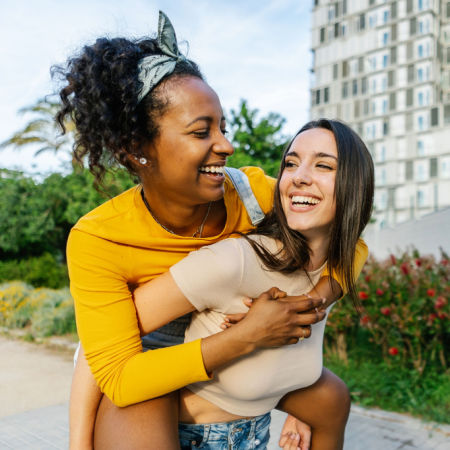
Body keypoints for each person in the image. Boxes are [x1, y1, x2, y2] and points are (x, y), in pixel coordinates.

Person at [55, 11, 368, 450]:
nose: (226, 145)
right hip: (142, 366)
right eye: (202, 131)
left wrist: (302, 311)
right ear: (136, 150)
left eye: (223, 126)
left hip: (237, 360)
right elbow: (111, 369)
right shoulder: (99, 238)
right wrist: (246, 336)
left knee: (332, 397)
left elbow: (347, 242)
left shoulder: (255, 194)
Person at [131, 118, 375, 449]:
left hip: (256, 434)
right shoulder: (236, 261)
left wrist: (307, 305)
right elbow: (111, 340)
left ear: (355, 185)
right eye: (291, 163)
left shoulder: (338, 265)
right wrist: (246, 334)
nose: (299, 176)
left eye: (323, 165)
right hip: (190, 439)